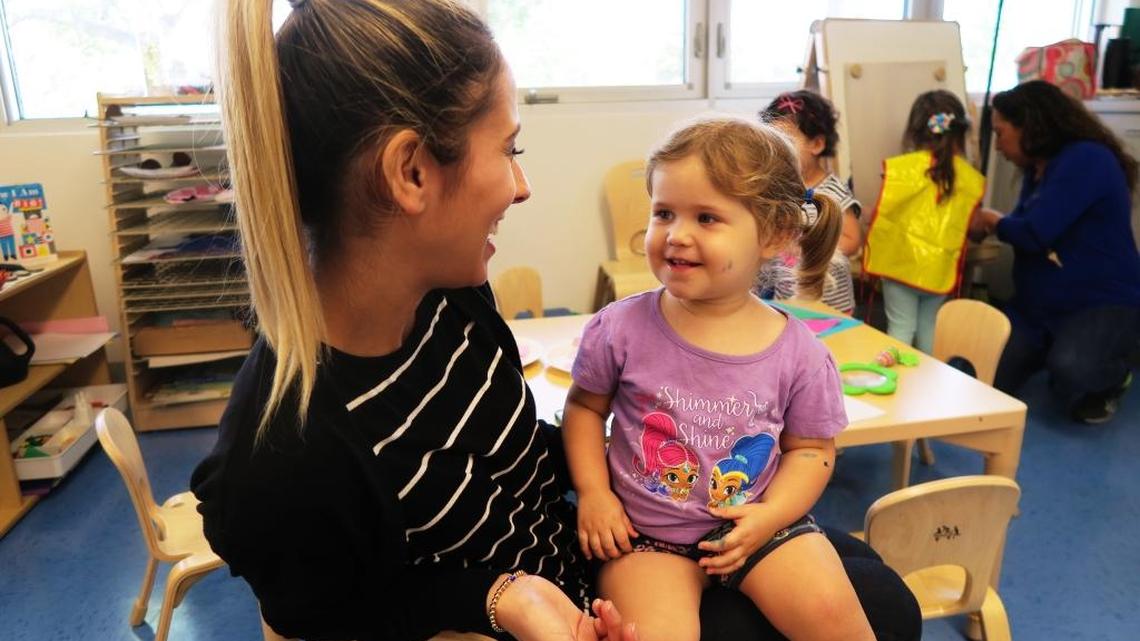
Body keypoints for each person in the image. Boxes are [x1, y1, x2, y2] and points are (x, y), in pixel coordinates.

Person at [191, 2, 921, 640]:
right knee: (887, 609)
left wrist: (640, 460)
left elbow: (502, 457)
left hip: (588, 549)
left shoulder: (447, 296)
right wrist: (504, 595)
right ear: (410, 172)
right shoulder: (284, 462)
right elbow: (338, 615)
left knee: (868, 581)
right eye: (509, 149)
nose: (522, 184)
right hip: (553, 609)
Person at [562, 118, 875, 641]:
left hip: (760, 529)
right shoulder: (618, 327)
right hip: (647, 537)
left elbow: (813, 450)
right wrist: (594, 493)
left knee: (840, 623)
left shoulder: (799, 352)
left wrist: (770, 516)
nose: (676, 235)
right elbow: (584, 409)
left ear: (774, 234)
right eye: (664, 213)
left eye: (707, 218)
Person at [972, 80, 1140, 424]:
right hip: (1038, 308)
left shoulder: (1086, 160)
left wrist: (991, 221)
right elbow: (1025, 224)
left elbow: (1034, 233)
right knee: (987, 378)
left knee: (1073, 368)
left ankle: (1114, 376)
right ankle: (1050, 349)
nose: (1000, 146)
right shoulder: (1040, 167)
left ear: (1029, 127)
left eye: (1001, 133)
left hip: (1100, 302)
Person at [862, 90, 985, 353]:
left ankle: (897, 383)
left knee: (901, 327)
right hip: (939, 269)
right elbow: (975, 227)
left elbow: (881, 216)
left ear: (914, 132)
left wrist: (860, 213)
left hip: (899, 266)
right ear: (959, 132)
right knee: (930, 327)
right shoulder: (971, 179)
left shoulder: (901, 170)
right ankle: (931, 385)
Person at [757, 90, 863, 314]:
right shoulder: (779, 188)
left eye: (786, 140)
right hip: (787, 297)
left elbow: (852, 241)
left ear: (816, 144)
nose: (778, 149)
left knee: (833, 349)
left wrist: (811, 245)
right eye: (772, 140)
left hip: (830, 303)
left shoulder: (831, 191)